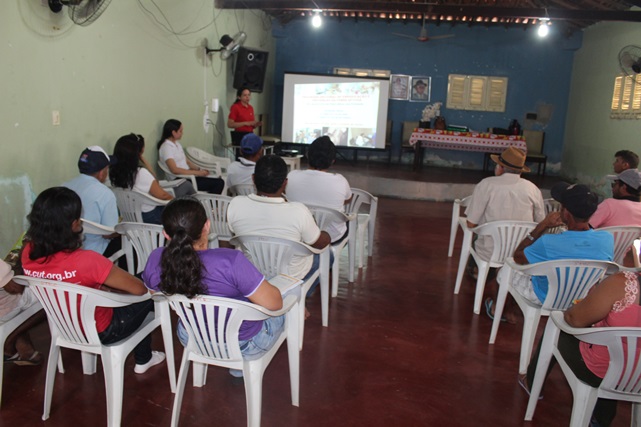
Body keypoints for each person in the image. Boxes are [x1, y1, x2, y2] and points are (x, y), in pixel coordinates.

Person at [20, 187, 165, 374]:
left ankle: (143, 351)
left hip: (65, 324)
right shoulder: (86, 260)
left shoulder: (28, 253)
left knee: (131, 286)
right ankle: (144, 358)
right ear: (73, 224)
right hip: (106, 330)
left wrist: (105, 289)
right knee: (150, 281)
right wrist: (114, 291)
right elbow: (140, 290)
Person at [142, 197, 283, 376]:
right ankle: (239, 365)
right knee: (287, 294)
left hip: (192, 337)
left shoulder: (156, 259)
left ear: (166, 234)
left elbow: (155, 293)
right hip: (244, 343)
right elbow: (275, 304)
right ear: (207, 226)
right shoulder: (230, 261)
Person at [521, 271, 641, 427]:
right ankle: (602, 417)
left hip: (601, 372)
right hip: (638, 380)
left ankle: (531, 381)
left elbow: (575, 320)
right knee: (623, 358)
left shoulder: (622, 284)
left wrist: (579, 306)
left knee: (557, 327)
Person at [489, 182, 614, 320]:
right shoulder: (607, 240)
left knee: (503, 269)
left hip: (546, 297)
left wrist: (542, 225)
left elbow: (518, 256)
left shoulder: (548, 242)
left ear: (565, 212)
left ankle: (504, 311)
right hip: (582, 297)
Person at [227, 155, 330, 283]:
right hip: (290, 275)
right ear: (285, 183)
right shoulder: (298, 211)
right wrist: (326, 235)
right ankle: (295, 294)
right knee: (328, 256)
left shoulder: (235, 205)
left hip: (251, 272)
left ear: (253, 179)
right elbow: (319, 243)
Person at [466, 146, 545, 262]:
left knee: (476, 239)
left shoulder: (486, 185)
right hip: (521, 253)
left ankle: (479, 272)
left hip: (490, 252)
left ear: (501, 168)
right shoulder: (532, 189)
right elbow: (541, 224)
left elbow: (471, 224)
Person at [286, 136, 352, 243]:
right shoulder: (340, 181)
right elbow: (348, 200)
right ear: (332, 161)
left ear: (307, 155)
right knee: (349, 221)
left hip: (298, 236)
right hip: (331, 237)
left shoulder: (291, 176)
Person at [63, 146, 119, 256]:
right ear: (102, 172)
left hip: (69, 249)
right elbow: (108, 233)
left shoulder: (64, 186)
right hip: (97, 251)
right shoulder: (105, 194)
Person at [110, 134, 173, 224]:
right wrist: (176, 201)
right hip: (149, 216)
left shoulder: (114, 173)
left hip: (129, 217)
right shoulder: (141, 173)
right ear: (138, 153)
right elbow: (163, 195)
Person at [157, 119, 224, 195]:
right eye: (180, 131)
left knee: (218, 180)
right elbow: (174, 170)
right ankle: (209, 204)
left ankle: (208, 203)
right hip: (180, 179)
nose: (182, 133)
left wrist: (200, 169)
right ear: (173, 132)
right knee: (218, 183)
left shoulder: (177, 144)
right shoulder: (166, 147)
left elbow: (187, 161)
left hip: (188, 175)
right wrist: (197, 173)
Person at [0, 259, 45, 365]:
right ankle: (9, 341)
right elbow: (15, 288)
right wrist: (22, 260)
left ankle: (25, 351)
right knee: (51, 297)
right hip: (7, 310)